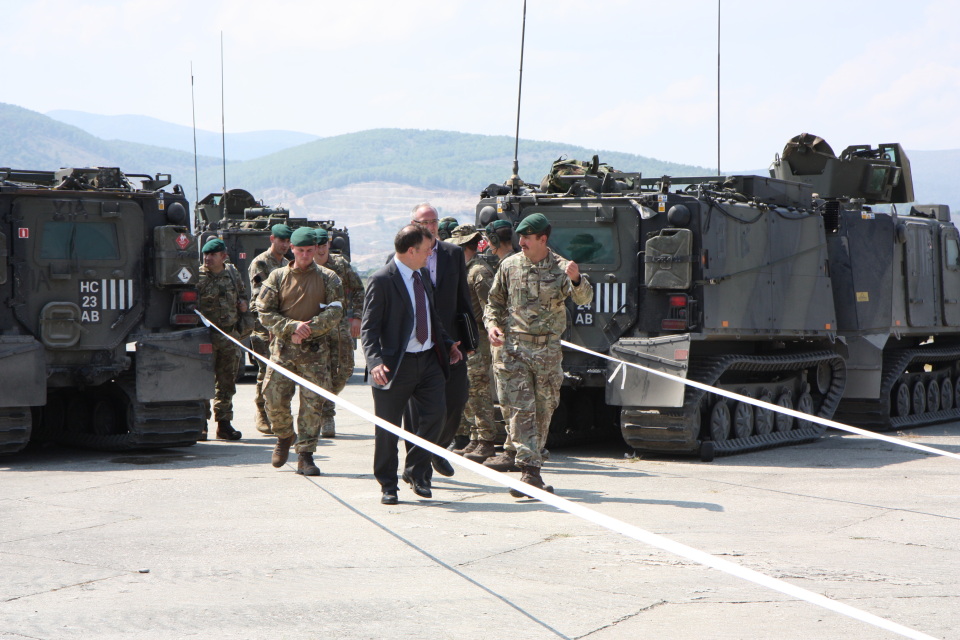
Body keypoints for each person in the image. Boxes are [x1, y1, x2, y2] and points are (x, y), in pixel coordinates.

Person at [484, 213, 593, 496]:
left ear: (542, 239)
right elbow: (494, 302)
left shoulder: (561, 268)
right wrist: (493, 325)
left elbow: (584, 299)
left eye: (527, 238)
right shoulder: (509, 265)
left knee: (544, 411)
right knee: (520, 411)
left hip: (546, 351)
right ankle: (529, 472)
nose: (520, 242)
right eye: (519, 237)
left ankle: (532, 469)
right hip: (514, 351)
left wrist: (578, 279)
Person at [361, 224, 462, 505]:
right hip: (395, 365)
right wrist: (375, 362)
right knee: (388, 429)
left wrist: (447, 342)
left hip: (429, 360)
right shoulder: (382, 280)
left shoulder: (422, 277)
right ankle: (388, 484)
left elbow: (432, 317)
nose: (430, 255)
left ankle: (417, 471)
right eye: (427, 251)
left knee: (435, 417)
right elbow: (368, 330)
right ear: (410, 250)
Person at [257, 227, 344, 476]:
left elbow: (336, 310)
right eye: (301, 250)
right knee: (273, 399)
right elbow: (264, 311)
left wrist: (309, 329)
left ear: (316, 250)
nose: (306, 255)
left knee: (312, 405)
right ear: (292, 250)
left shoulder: (329, 278)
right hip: (283, 349)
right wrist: (291, 327)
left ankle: (305, 455)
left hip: (315, 353)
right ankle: (284, 436)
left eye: (310, 251)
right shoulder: (276, 277)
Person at [406, 203, 475, 478]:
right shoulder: (403, 256)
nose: (430, 227)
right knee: (416, 409)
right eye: (424, 222)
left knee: (456, 400)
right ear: (413, 225)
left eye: (433, 221)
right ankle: (415, 465)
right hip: (417, 343)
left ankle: (438, 447)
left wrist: (469, 339)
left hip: (451, 343)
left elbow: (462, 298)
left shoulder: (453, 253)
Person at [446, 225, 498, 462]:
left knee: (478, 390)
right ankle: (476, 437)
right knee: (469, 390)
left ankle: (486, 440)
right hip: (466, 337)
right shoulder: (463, 270)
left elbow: (491, 307)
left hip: (478, 338)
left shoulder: (478, 272)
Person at [313, 228, 365, 437]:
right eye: (316, 246)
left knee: (345, 370)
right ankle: (325, 415)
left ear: (328, 245)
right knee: (319, 372)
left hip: (339, 324)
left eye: (323, 245)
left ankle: (324, 403)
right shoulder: (306, 266)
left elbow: (359, 289)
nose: (320, 249)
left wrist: (358, 317)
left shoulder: (340, 264)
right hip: (314, 326)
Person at [197, 237, 247, 441]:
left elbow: (242, 295)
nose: (207, 258)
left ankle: (224, 424)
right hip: (205, 337)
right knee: (203, 382)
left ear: (223, 256)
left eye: (212, 255)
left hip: (228, 336)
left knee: (227, 383)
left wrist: (243, 305)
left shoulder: (232, 274)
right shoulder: (197, 275)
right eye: (205, 255)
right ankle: (201, 423)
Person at [248, 223, 293, 435]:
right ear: (272, 239)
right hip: (264, 328)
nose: (284, 245)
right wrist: (271, 323)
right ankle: (262, 413)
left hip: (283, 328)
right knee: (265, 372)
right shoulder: (260, 263)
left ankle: (279, 415)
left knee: (282, 375)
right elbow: (259, 298)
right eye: (281, 240)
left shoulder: (287, 264)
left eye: (287, 241)